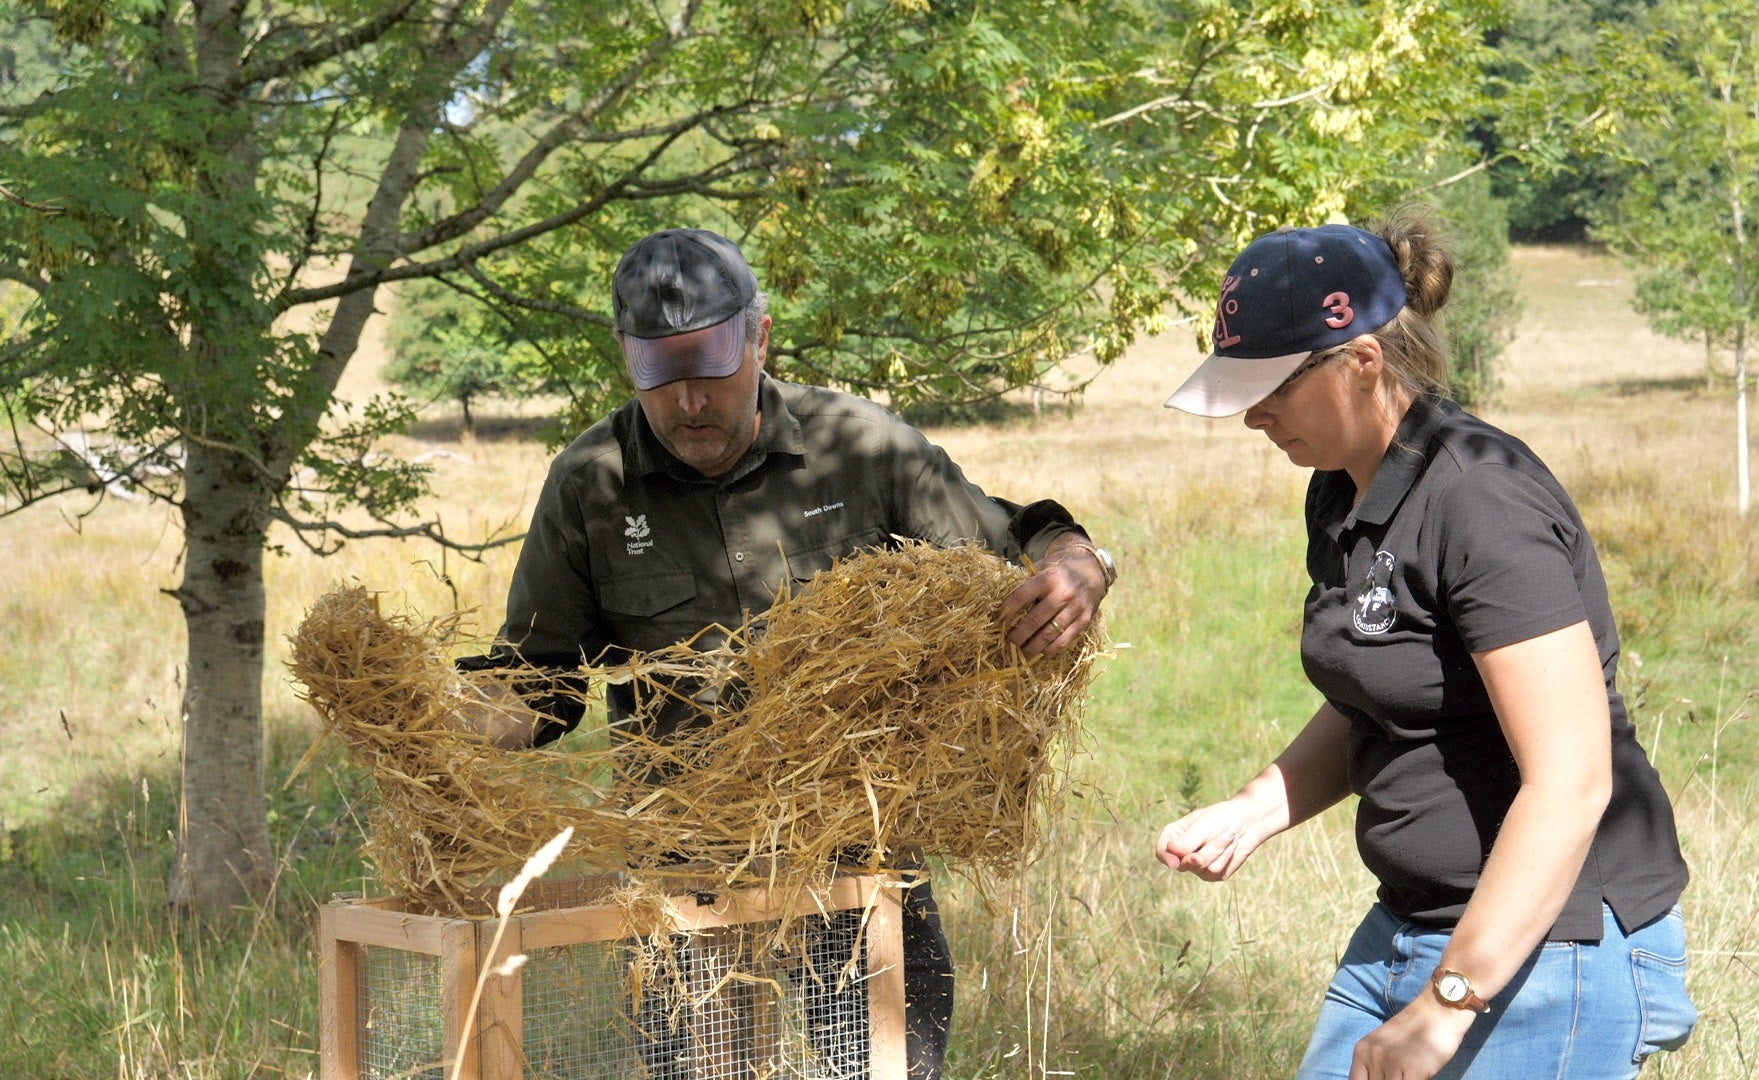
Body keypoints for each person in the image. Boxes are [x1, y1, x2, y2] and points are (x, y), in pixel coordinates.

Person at [458, 226, 1116, 1079]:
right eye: (663, 374)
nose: (691, 401)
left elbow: (1008, 544)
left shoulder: (860, 446)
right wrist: (442, 731)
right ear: (627, 360)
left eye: (710, 366)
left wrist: (1079, 564)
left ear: (759, 337)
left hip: (861, 868)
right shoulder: (592, 483)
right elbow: (539, 680)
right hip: (684, 878)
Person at [1153, 218, 1695, 1080]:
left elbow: (1574, 780)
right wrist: (1260, 807)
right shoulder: (1340, 494)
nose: (1252, 415)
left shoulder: (1481, 499)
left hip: (1552, 949)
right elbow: (1383, 685)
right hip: (1411, 927)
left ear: (1361, 362)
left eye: (1272, 388)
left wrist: (1449, 1004)